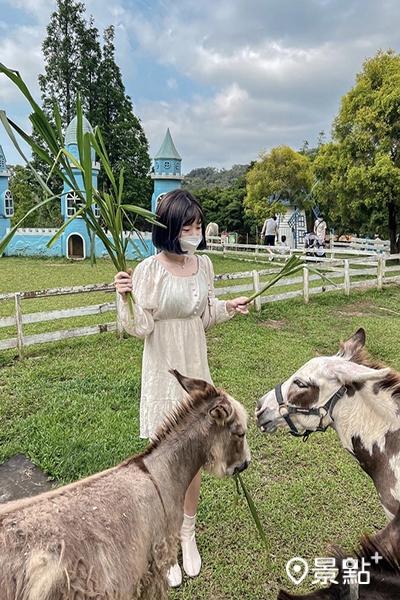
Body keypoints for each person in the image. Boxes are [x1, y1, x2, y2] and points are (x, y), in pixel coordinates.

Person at [113, 189, 250, 587]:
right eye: (187, 226)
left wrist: (229, 307)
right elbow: (140, 328)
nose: (195, 231)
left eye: (198, 224)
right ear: (169, 229)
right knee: (165, 461)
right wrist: (124, 297)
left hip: (196, 373)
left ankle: (187, 533)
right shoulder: (149, 270)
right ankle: (167, 540)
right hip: (162, 372)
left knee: (193, 459)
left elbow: (203, 316)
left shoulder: (202, 264)